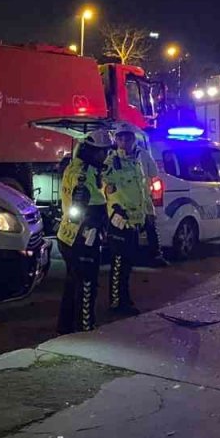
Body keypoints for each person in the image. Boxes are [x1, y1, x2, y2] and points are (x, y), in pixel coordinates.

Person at [56, 130, 111, 334]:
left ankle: (65, 326)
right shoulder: (85, 175)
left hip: (67, 235)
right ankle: (85, 327)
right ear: (92, 151)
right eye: (103, 152)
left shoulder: (73, 167)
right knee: (87, 283)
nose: (105, 156)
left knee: (72, 283)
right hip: (84, 237)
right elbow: (94, 207)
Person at [104, 126, 151, 316]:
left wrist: (147, 214)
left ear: (134, 140)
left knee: (128, 264)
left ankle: (124, 298)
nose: (124, 143)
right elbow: (102, 188)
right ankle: (116, 303)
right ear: (116, 141)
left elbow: (141, 191)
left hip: (134, 222)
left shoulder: (135, 162)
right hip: (119, 222)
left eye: (128, 139)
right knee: (118, 265)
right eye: (121, 139)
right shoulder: (111, 162)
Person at [132, 129, 169, 267]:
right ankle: (155, 255)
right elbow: (154, 173)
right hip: (142, 197)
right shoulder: (144, 154)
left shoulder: (114, 156)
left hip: (132, 199)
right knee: (150, 227)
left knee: (136, 228)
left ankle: (137, 255)